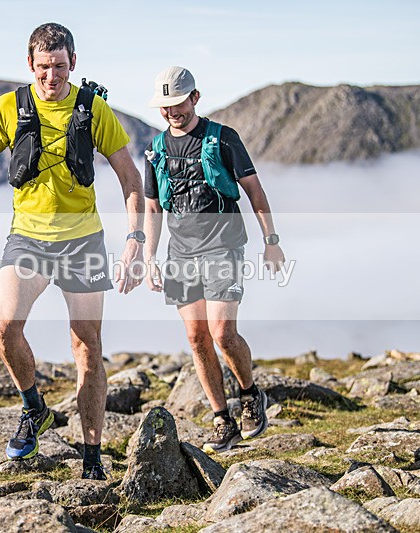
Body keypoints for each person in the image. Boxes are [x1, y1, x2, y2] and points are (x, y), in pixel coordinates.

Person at [0, 22, 144, 479]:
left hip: (83, 240)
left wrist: (135, 240)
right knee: (4, 328)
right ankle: (33, 406)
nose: (51, 77)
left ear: (73, 63)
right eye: (43, 68)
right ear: (30, 65)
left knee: (87, 346)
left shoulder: (93, 109)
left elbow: (130, 180)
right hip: (27, 239)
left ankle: (92, 458)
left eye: (60, 67)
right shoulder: (9, 107)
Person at [143, 66, 285, 453]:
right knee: (196, 336)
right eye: (166, 105)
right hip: (180, 252)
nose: (173, 111)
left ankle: (251, 394)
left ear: (195, 98)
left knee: (222, 332)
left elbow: (254, 189)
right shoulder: (155, 149)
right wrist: (148, 256)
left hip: (224, 246)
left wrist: (271, 240)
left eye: (178, 103)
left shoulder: (223, 138)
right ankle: (223, 418)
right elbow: (153, 207)